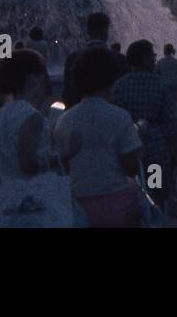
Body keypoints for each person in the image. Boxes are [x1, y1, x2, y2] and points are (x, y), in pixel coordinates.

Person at [55, 47, 144, 227]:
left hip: (78, 205)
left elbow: (62, 166)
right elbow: (132, 168)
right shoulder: (119, 117)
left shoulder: (65, 120)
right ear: (111, 79)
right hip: (116, 204)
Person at [0, 49, 63, 227]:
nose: (47, 79)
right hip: (32, 209)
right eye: (43, 72)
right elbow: (28, 164)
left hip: (5, 205)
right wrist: (64, 155)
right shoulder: (30, 117)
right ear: (32, 78)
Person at [112, 40, 177, 207]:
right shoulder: (161, 85)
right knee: (155, 196)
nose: (155, 59)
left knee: (131, 197)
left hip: (128, 152)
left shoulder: (120, 85)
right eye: (152, 56)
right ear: (144, 59)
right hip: (155, 150)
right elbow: (171, 126)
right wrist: (175, 155)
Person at [62, 12, 116, 107]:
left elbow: (68, 93)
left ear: (87, 31)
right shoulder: (118, 58)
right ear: (106, 30)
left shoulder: (73, 58)